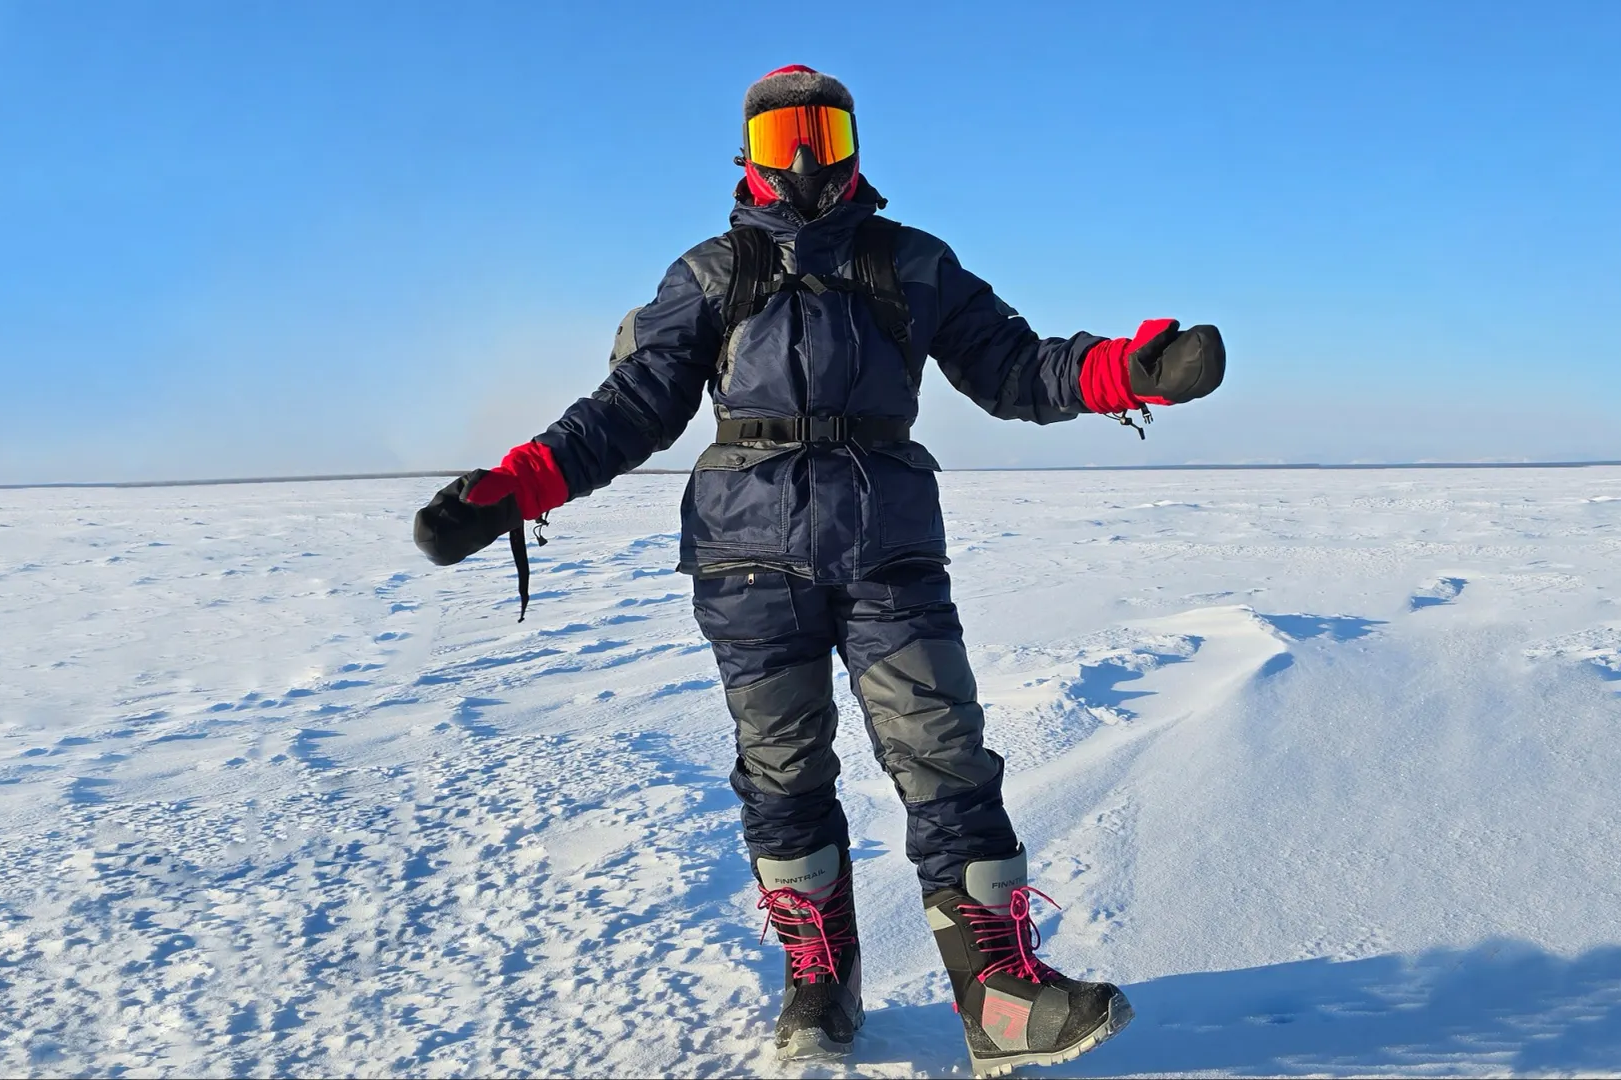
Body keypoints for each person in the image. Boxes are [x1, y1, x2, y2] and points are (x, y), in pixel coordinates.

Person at [414, 64, 1224, 1075]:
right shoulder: (712, 274)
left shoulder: (911, 264)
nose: (804, 156)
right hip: (747, 565)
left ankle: (999, 997)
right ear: (746, 157)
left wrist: (1120, 372)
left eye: (824, 131)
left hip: (888, 554)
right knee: (783, 777)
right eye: (783, 135)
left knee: (945, 760)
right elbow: (629, 407)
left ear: (853, 144)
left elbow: (1014, 366)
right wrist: (516, 484)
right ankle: (819, 987)